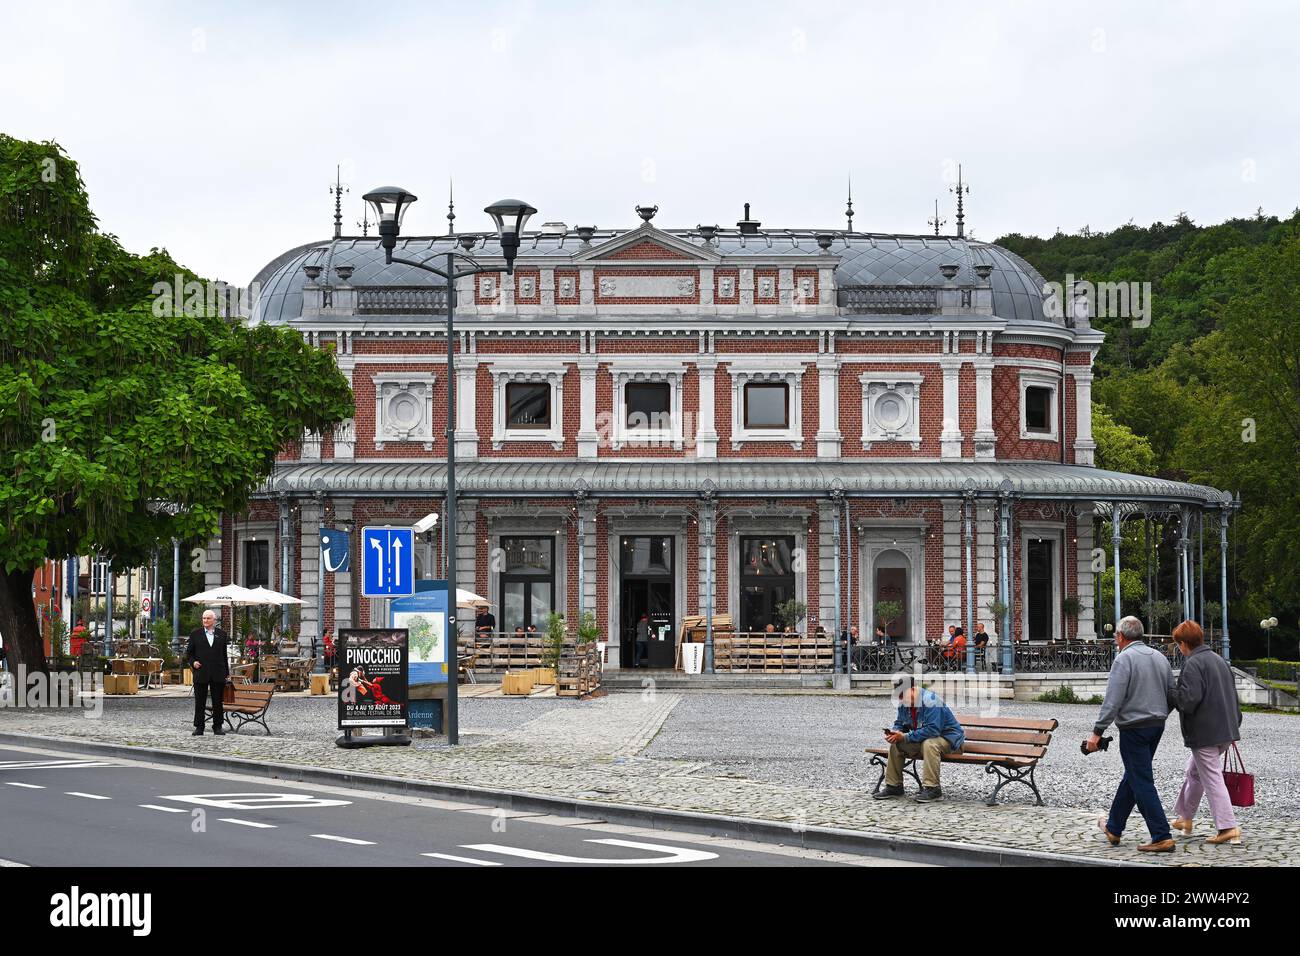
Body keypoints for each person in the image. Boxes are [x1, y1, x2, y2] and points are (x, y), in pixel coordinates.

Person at [1088, 615, 1176, 852]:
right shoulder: (1160, 657)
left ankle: (1161, 835)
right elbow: (1172, 695)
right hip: (1156, 726)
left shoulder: (1123, 659)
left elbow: (1112, 701)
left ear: (1121, 636)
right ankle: (1114, 827)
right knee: (1134, 775)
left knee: (1141, 780)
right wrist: (1160, 713)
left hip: (1133, 728)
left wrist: (1097, 732)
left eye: (1116, 636)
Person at [1169, 620, 1244, 846]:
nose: (1179, 649)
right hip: (1227, 730)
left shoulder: (1193, 664)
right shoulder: (1220, 661)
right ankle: (1185, 818)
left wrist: (1171, 692)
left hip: (1205, 733)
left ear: (1183, 643)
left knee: (1211, 777)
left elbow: (1188, 701)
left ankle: (1227, 826)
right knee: (1194, 772)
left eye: (1178, 644)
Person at [874, 674, 965, 802]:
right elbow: (900, 723)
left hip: (950, 742)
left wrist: (905, 736)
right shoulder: (905, 703)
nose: (900, 700)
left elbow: (933, 730)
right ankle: (894, 786)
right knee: (896, 743)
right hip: (924, 741)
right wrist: (896, 733)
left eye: (902, 696)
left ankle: (933, 789)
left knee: (929, 744)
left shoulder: (931, 700)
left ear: (912, 690)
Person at [185, 609, 230, 736]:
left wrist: (227, 673)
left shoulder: (222, 634)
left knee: (217, 702)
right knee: (200, 701)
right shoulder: (195, 634)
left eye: (208, 618)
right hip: (201, 672)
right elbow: (189, 653)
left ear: (214, 620)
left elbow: (224, 655)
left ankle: (218, 726)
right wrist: (193, 662)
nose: (205, 620)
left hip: (218, 672)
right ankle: (199, 727)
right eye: (204, 618)